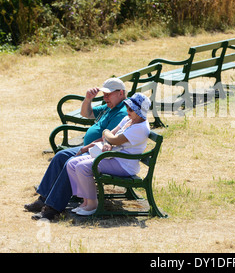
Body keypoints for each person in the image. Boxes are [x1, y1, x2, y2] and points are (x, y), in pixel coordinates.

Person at [25, 78, 128, 220]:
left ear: (121, 93)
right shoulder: (108, 107)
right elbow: (86, 113)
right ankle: (43, 199)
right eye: (103, 94)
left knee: (70, 162)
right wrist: (88, 99)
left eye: (108, 94)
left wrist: (85, 148)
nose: (105, 98)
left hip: (98, 151)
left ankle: (52, 209)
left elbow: (109, 138)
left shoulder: (121, 112)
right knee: (61, 155)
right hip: (90, 148)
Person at [66, 93, 151, 216]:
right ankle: (85, 201)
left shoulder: (140, 128)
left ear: (140, 111)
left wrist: (106, 134)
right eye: (127, 107)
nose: (127, 110)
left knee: (82, 167)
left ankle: (92, 205)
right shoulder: (129, 119)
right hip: (113, 157)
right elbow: (110, 136)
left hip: (124, 164)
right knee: (72, 163)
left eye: (131, 109)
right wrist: (107, 140)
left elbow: (114, 138)